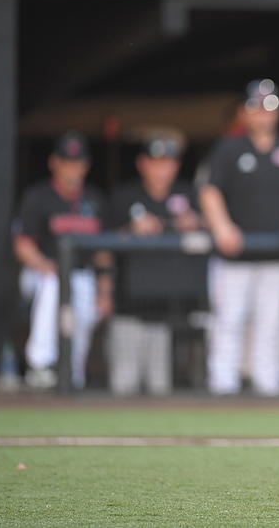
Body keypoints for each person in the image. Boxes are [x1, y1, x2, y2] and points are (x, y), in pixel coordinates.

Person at [198, 79, 279, 396]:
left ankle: (269, 387)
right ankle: (222, 384)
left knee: (271, 324)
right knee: (228, 320)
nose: (263, 114)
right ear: (245, 111)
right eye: (256, 107)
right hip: (234, 255)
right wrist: (222, 226)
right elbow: (209, 191)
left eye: (270, 107)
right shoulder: (229, 147)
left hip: (275, 255)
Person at [12, 130, 113, 389]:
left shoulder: (95, 200)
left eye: (77, 162)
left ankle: (71, 378)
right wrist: (45, 265)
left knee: (81, 316)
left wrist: (104, 292)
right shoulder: (38, 197)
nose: (72, 168)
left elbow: (103, 253)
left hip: (81, 276)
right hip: (40, 275)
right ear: (54, 162)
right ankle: (41, 362)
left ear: (85, 165)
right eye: (66, 162)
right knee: (55, 283)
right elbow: (23, 245)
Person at [106, 131, 201, 396]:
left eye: (168, 162)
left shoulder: (188, 195)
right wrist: (130, 230)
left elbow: (210, 232)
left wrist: (195, 224)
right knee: (123, 385)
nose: (162, 168)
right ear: (142, 163)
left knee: (160, 388)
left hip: (170, 309)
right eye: (155, 161)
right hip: (127, 305)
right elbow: (101, 246)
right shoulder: (124, 197)